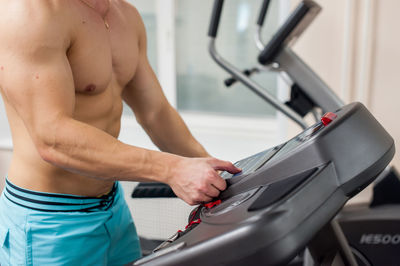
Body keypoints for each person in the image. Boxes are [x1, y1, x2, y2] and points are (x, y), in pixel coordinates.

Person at [0, 0, 241, 265]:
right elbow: (52, 137)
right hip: (50, 221)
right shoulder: (31, 12)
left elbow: (155, 113)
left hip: (113, 210)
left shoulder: (125, 15)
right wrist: (172, 169)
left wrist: (220, 178)